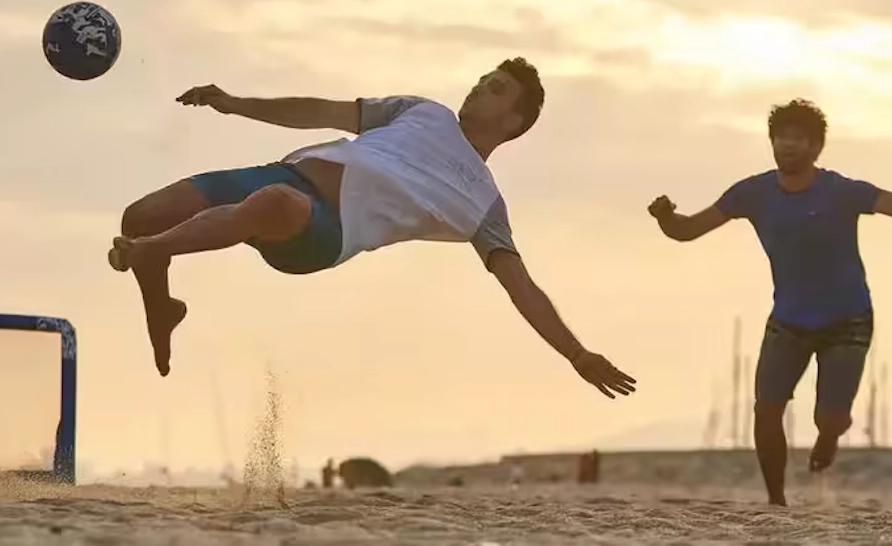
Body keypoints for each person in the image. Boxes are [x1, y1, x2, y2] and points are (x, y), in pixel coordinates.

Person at [111, 57, 636, 400]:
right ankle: (160, 296)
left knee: (270, 205)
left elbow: (522, 287)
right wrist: (233, 103)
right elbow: (319, 111)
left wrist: (577, 353)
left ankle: (147, 251)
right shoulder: (421, 112)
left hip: (322, 230)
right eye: (480, 79)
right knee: (141, 214)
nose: (478, 87)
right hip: (287, 172)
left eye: (495, 89)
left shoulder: (483, 203)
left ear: (514, 121)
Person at [647, 98, 892, 506]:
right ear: (771, 143)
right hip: (788, 321)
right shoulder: (751, 193)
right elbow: (689, 230)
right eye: (781, 139)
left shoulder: (841, 192)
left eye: (799, 140)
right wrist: (666, 218)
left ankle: (829, 435)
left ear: (816, 147)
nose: (789, 146)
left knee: (831, 418)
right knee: (767, 410)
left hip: (847, 320)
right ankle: (776, 501)